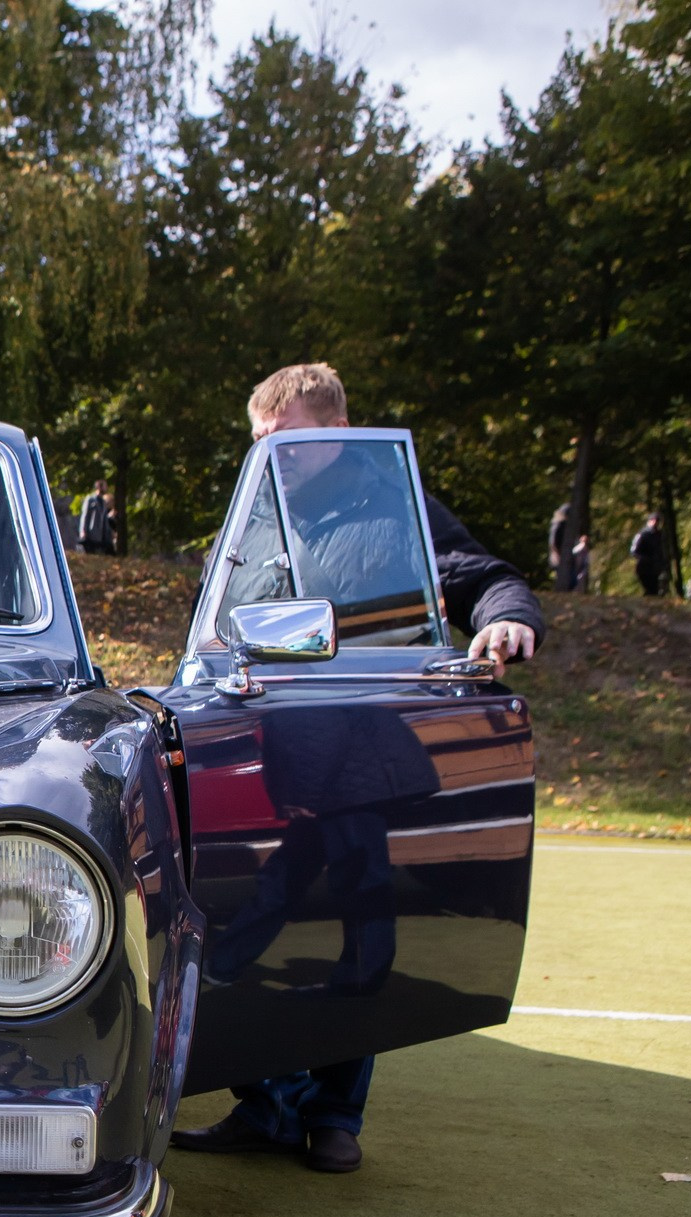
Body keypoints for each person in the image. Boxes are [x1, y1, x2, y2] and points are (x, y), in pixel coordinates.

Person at [171, 362, 545, 1175]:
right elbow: (216, 631)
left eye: (289, 441)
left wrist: (505, 622)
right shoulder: (255, 519)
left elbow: (485, 580)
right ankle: (265, 1104)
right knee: (254, 906)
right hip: (280, 750)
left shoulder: (394, 507)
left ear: (339, 431)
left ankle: (333, 1115)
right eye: (261, 444)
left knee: (358, 908)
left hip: (361, 750)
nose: (273, 457)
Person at [548, 499, 590, 592]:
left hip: (566, 555)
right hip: (559, 556)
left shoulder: (564, 526)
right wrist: (557, 554)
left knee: (572, 579)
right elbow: (554, 542)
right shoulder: (559, 526)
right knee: (569, 579)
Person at [631, 511, 671, 597]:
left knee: (654, 591)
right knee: (650, 589)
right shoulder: (642, 534)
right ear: (649, 521)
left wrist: (663, 564)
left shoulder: (660, 535)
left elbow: (662, 551)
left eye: (657, 521)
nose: (656, 523)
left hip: (656, 567)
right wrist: (644, 559)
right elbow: (634, 551)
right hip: (644, 567)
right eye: (654, 520)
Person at [78, 479, 113, 554]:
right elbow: (85, 516)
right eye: (105, 486)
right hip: (90, 534)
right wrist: (83, 531)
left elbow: (104, 520)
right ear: (99, 487)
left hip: (99, 537)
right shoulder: (90, 499)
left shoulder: (103, 502)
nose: (106, 488)